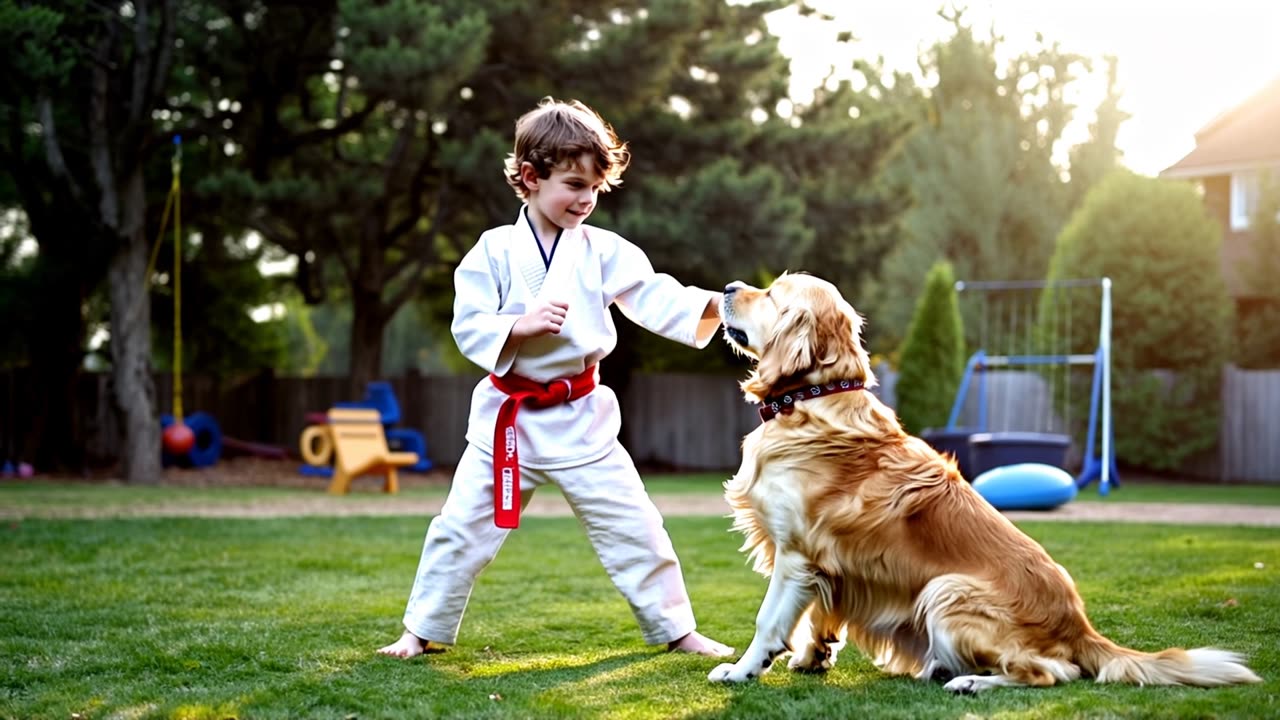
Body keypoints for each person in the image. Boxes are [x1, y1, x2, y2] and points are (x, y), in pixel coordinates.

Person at [377, 97, 732, 659]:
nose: (586, 199)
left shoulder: (602, 250)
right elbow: (468, 326)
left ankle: (677, 631)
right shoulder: (491, 251)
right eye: (573, 184)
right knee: (459, 531)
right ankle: (420, 632)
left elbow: (655, 294)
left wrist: (717, 305)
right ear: (529, 177)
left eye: (595, 187)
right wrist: (519, 326)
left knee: (636, 527)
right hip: (507, 422)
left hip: (582, 417)